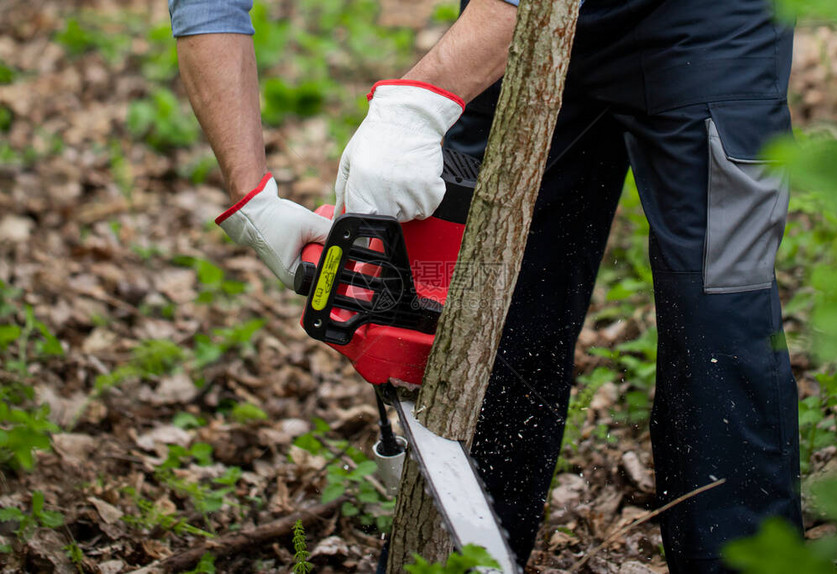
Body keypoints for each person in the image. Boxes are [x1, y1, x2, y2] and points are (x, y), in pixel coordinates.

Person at [169, 0, 803, 572]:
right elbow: (208, 7)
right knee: (488, 310)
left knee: (720, 314)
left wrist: (416, 106)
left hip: (716, 26)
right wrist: (252, 200)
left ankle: (741, 560)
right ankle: (459, 554)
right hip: (528, 29)